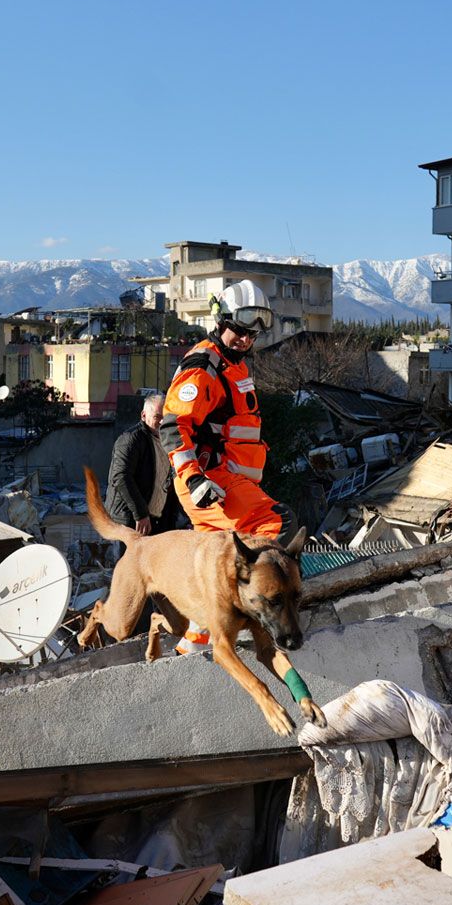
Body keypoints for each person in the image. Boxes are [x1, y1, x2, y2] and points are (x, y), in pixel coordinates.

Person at [160, 280, 300, 655]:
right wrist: (194, 478)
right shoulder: (203, 367)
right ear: (220, 320)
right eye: (237, 330)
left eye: (251, 334)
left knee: (215, 561)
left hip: (221, 481)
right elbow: (175, 426)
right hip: (210, 482)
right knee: (275, 524)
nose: (244, 339)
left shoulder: (232, 365)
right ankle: (259, 607)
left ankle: (195, 645)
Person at [106, 392, 183, 536]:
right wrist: (140, 514)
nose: (162, 422)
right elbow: (121, 477)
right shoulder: (130, 440)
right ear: (143, 415)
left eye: (165, 418)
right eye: (157, 417)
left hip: (158, 524)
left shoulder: (169, 442)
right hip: (129, 522)